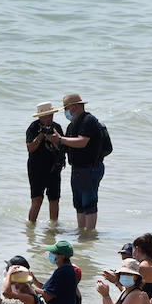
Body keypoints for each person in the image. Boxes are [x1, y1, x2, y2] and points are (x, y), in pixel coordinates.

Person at [57, 92, 108, 230]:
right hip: (78, 169)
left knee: (89, 203)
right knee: (78, 203)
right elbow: (67, 144)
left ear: (74, 107)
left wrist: (60, 139)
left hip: (90, 168)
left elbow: (82, 142)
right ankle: (81, 231)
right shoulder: (72, 124)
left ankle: (89, 234)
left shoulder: (88, 120)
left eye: (67, 108)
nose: (66, 112)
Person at [25, 102, 66, 223]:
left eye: (51, 115)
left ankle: (53, 227)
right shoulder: (33, 128)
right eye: (47, 116)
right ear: (40, 117)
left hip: (54, 167)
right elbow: (30, 148)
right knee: (37, 199)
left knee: (54, 199)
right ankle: (31, 227)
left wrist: (54, 139)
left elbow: (62, 148)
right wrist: (42, 135)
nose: (49, 119)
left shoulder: (56, 127)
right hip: (36, 168)